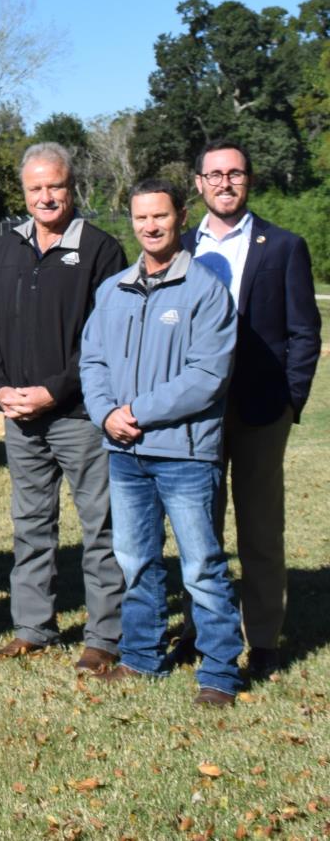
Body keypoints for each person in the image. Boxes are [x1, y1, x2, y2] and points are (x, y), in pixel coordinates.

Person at [81, 179, 241, 705]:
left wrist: (136, 412)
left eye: (160, 217)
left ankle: (219, 671)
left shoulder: (204, 289)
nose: (150, 226)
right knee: (134, 560)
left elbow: (206, 376)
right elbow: (94, 361)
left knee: (200, 566)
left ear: (180, 217)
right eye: (141, 218)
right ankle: (142, 657)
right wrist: (106, 414)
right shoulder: (113, 290)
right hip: (125, 453)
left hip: (185, 453)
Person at [0, 142, 128, 670]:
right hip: (19, 418)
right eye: (35, 188)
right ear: (24, 192)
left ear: (72, 187)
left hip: (79, 417)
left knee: (100, 528)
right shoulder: (6, 248)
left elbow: (105, 338)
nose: (46, 196)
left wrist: (55, 390)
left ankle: (105, 637)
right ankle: (33, 627)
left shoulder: (102, 250)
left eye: (55, 186)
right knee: (30, 525)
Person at [181, 140, 320, 676]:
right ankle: (200, 632)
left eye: (234, 173)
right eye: (214, 174)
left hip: (263, 409)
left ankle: (263, 638)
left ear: (249, 180)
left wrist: (291, 401)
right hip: (197, 411)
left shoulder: (282, 246)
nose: (224, 183)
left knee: (260, 530)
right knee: (199, 530)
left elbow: (304, 331)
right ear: (199, 183)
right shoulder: (179, 246)